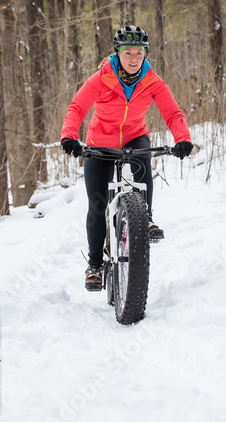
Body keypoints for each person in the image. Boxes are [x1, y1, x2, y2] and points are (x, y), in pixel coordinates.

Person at [61, 25, 193, 291]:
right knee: (97, 206)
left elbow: (172, 113)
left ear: (145, 54)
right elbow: (77, 108)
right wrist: (69, 136)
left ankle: (146, 216)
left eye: (139, 52)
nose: (134, 58)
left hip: (134, 137)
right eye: (128, 52)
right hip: (100, 144)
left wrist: (183, 138)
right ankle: (95, 265)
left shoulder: (153, 81)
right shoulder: (101, 78)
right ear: (118, 53)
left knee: (142, 158)